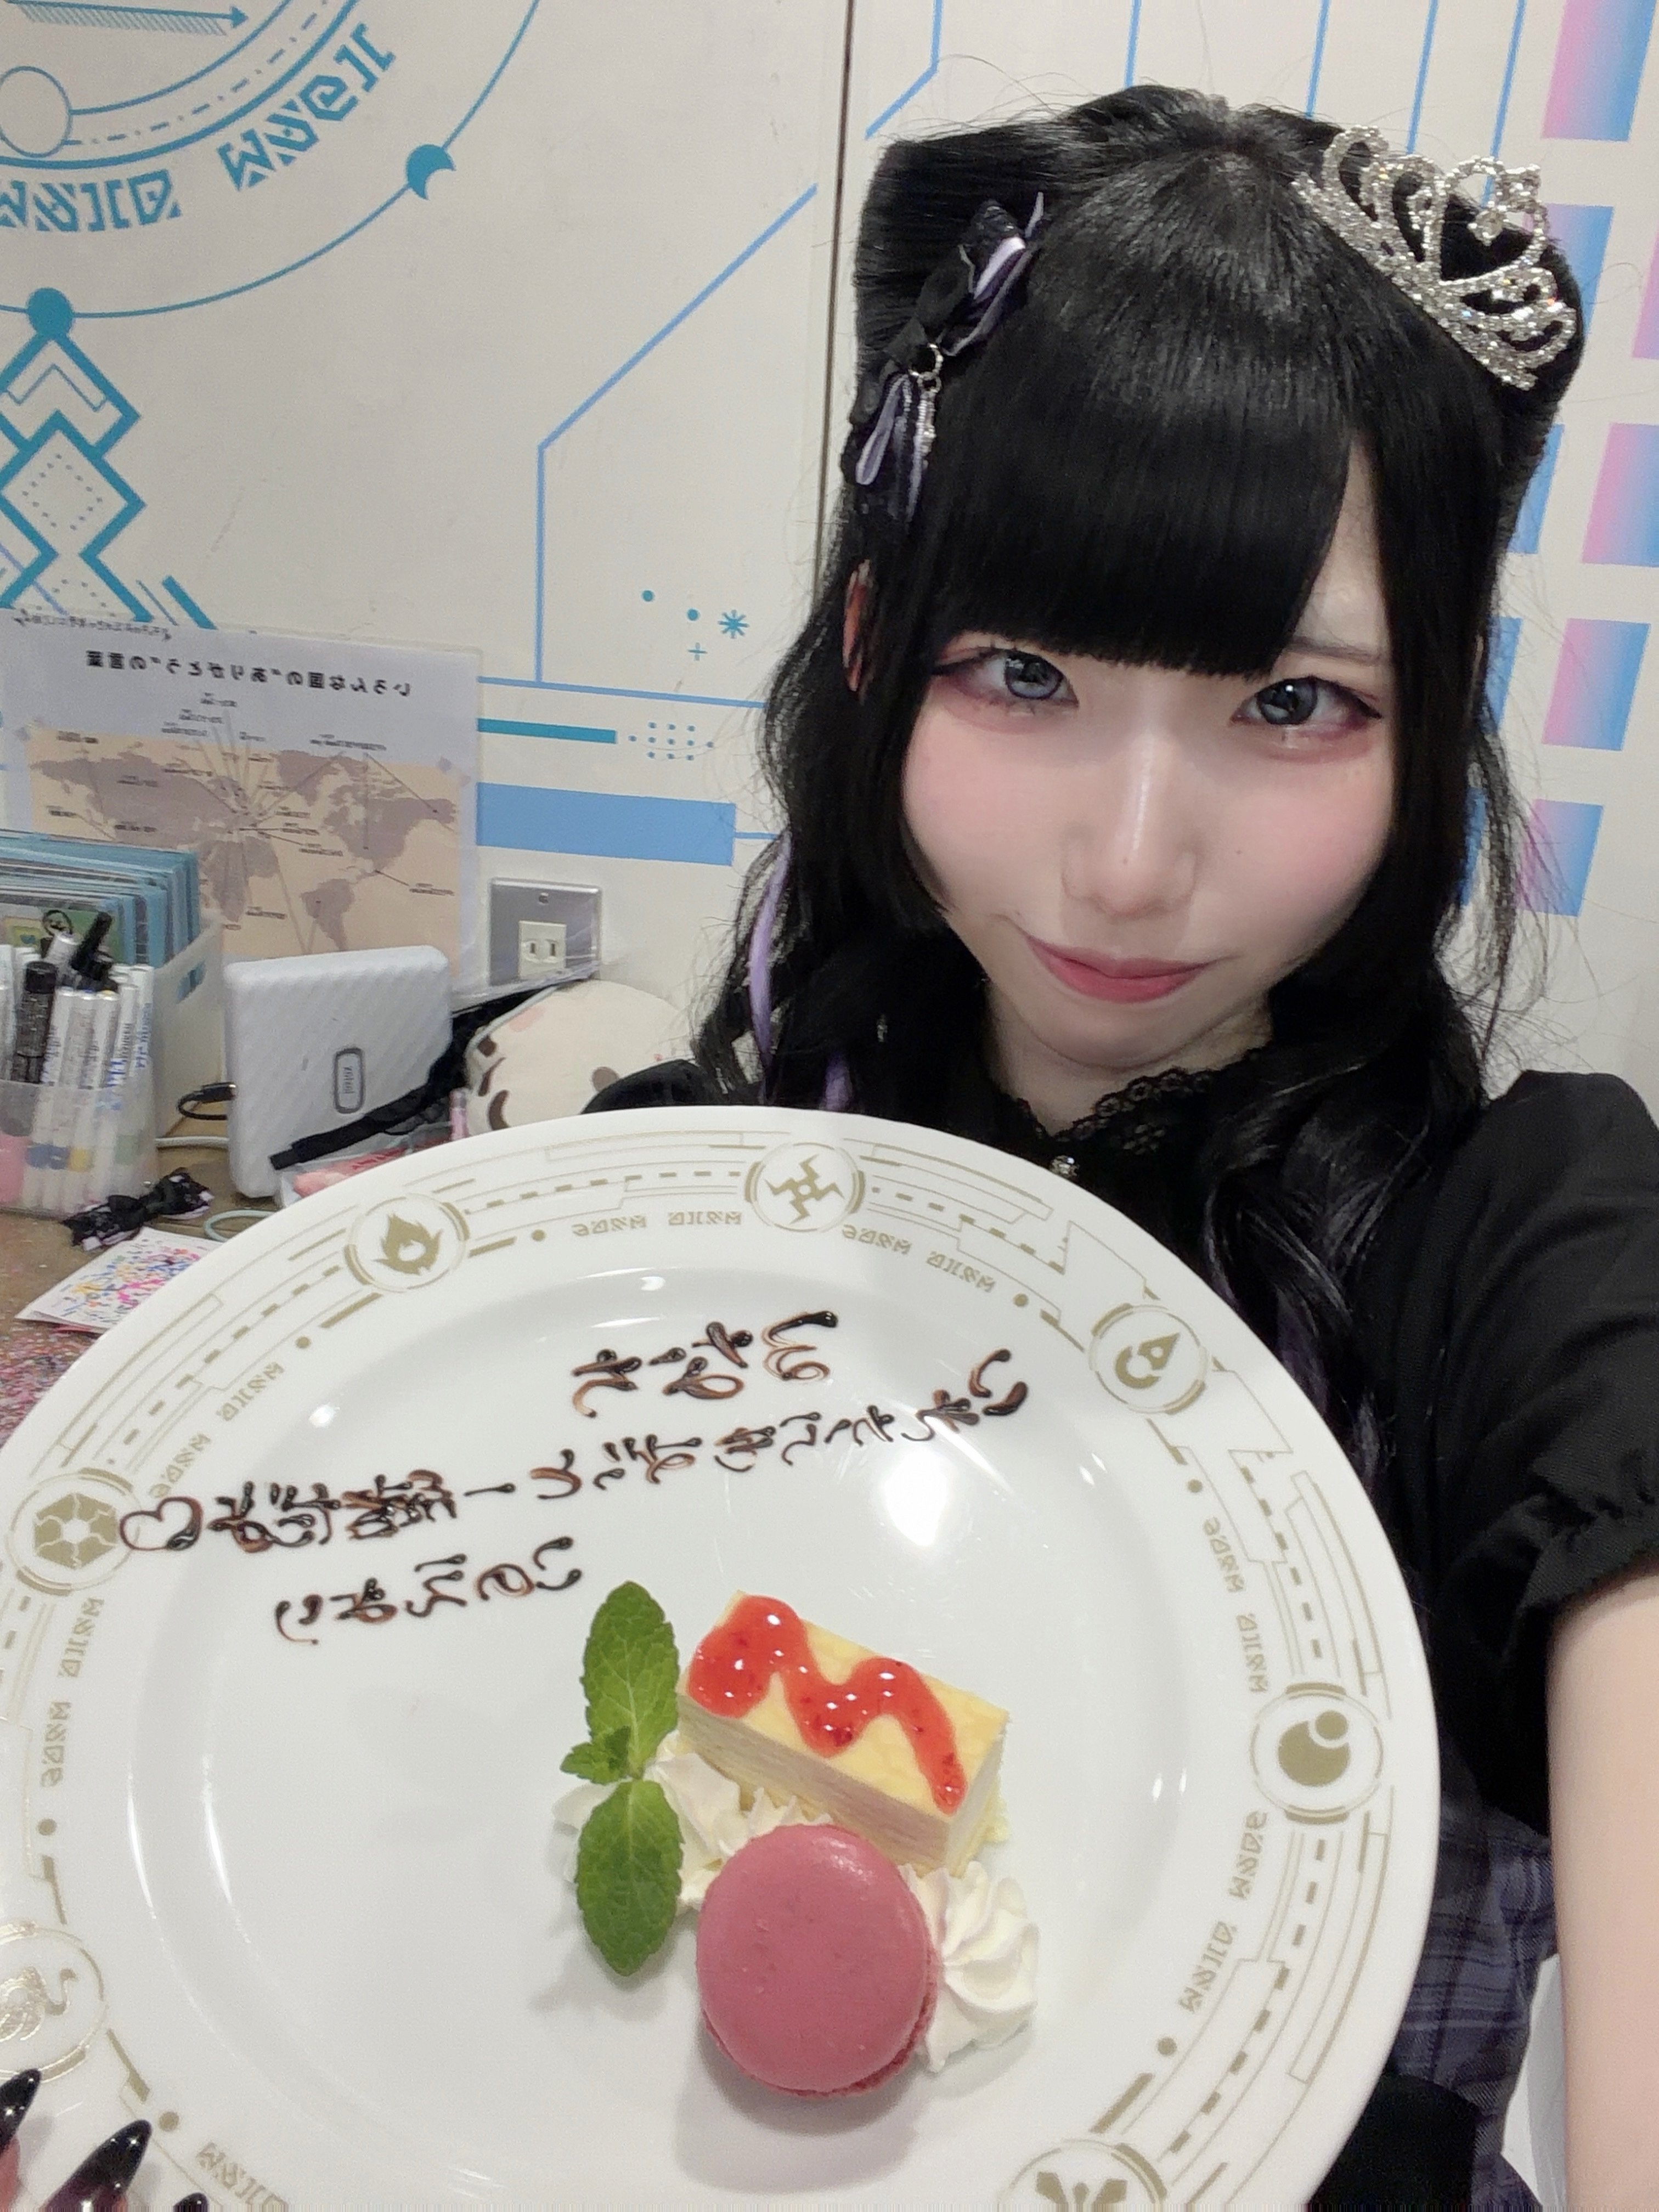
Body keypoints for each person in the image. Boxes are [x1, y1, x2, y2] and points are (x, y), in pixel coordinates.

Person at [591, 87, 1659, 2206]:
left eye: (1292, 705)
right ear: (878, 651)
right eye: (1021, 671)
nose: (1134, 860)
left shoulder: (1526, 1250)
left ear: (1434, 716)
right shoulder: (678, 1202)